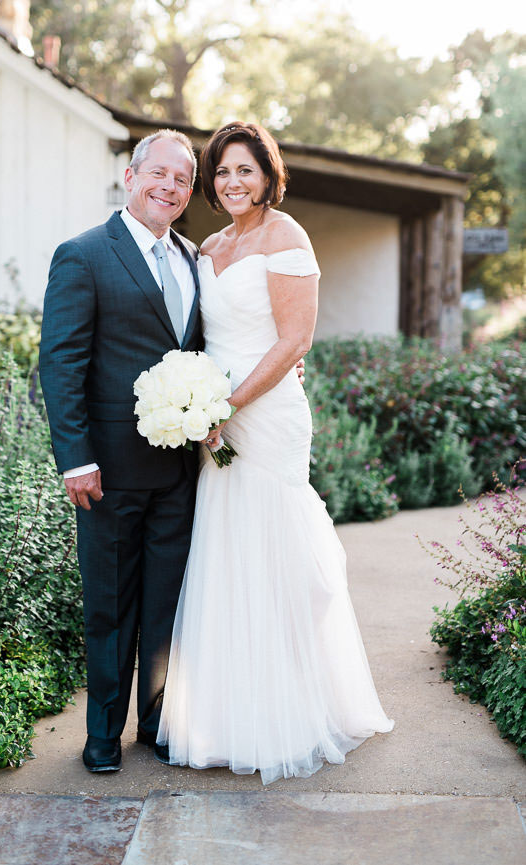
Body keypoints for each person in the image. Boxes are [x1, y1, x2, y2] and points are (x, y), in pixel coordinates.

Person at [156, 121, 393, 783]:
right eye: (223, 171)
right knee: (228, 550)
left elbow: (293, 342)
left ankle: (290, 710)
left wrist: (227, 405)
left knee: (280, 551)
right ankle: (227, 717)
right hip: (215, 420)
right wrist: (195, 401)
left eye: (246, 170)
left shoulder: (287, 236)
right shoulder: (207, 245)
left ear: (267, 176)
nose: (233, 182)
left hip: (264, 414)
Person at [39, 130, 202, 773]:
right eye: (158, 173)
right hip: (106, 470)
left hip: (180, 469)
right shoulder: (83, 255)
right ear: (131, 177)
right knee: (110, 604)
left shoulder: (194, 258)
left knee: (165, 601)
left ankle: (155, 724)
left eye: (182, 180)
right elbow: (61, 360)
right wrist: (75, 457)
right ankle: (102, 733)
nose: (169, 187)